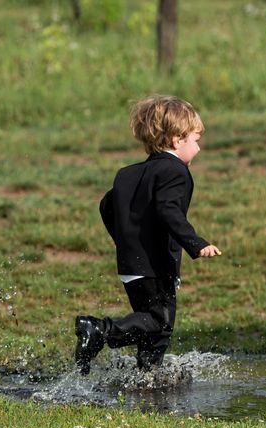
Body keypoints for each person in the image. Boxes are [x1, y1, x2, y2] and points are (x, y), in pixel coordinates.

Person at [74, 95, 221, 375]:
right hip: (154, 265)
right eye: (195, 140)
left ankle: (148, 376)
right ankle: (99, 330)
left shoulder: (130, 173)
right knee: (160, 322)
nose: (198, 148)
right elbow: (169, 212)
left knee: (151, 325)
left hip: (131, 265)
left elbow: (107, 206)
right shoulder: (175, 171)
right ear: (177, 140)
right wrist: (196, 243)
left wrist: (125, 242)